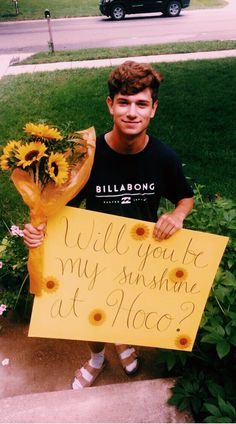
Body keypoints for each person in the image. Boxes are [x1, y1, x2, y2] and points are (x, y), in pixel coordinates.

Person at [23, 60, 194, 389]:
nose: (132, 112)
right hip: (92, 255)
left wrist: (177, 215)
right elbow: (58, 208)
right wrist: (38, 231)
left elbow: (185, 197)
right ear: (110, 105)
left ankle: (124, 341)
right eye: (124, 102)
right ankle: (98, 356)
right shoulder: (86, 157)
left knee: (128, 304)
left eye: (141, 103)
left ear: (153, 109)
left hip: (140, 255)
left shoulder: (164, 158)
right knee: (91, 314)